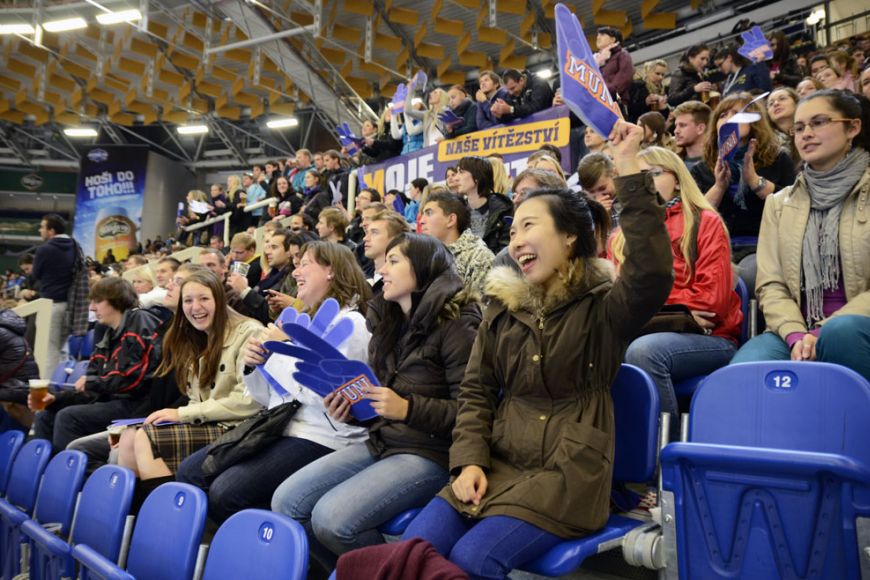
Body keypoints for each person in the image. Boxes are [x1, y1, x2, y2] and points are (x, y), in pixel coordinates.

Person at [400, 120, 674, 578]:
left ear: (569, 237)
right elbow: (475, 394)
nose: (516, 240)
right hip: (497, 464)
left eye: (530, 225)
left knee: (470, 560)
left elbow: (650, 273)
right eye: (512, 233)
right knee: (411, 549)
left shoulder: (603, 308)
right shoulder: (501, 313)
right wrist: (469, 460)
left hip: (566, 476)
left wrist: (627, 167)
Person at [272, 233, 482, 573]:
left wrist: (407, 408)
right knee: (286, 502)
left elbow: (473, 411)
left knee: (331, 520)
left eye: (394, 261)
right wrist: (353, 413)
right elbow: (380, 404)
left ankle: (388, 570)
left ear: (424, 268)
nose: (381, 269)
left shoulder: (458, 324)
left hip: (432, 453)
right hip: (384, 439)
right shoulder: (389, 324)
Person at [177, 242, 372, 524]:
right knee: (190, 471)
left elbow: (325, 397)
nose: (296, 273)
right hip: (283, 425)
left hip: (325, 435)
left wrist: (276, 354)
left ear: (330, 271)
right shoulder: (303, 322)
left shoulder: (350, 324)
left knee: (226, 493)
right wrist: (254, 364)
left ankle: (268, 558)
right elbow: (267, 398)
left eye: (305, 264)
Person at [730, 89, 870, 380]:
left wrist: (823, 331)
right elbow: (771, 285)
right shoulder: (779, 204)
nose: (806, 133)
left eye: (818, 122)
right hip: (795, 330)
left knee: (839, 334)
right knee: (744, 371)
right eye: (799, 127)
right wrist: (795, 334)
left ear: (852, 127)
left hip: (856, 326)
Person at [612, 146, 743, 429]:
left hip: (709, 338)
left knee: (644, 351)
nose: (645, 181)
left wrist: (648, 309)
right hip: (648, 330)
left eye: (654, 173)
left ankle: (665, 457)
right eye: (638, 175)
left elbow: (711, 303)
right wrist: (674, 310)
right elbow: (617, 301)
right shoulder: (621, 236)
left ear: (678, 178)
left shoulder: (704, 221)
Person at [116, 269, 263, 504]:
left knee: (146, 438)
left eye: (204, 299)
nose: (196, 307)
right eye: (188, 301)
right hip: (210, 422)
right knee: (128, 437)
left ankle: (167, 523)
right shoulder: (196, 337)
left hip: (239, 427)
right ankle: (132, 525)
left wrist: (181, 414)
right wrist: (179, 417)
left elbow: (248, 402)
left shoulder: (250, 332)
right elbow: (196, 398)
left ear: (219, 299)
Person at [32, 277, 162, 451]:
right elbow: (94, 389)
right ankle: (47, 472)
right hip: (115, 402)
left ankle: (75, 475)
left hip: (141, 405)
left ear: (116, 300)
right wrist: (56, 398)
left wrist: (92, 382)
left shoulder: (140, 321)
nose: (92, 308)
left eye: (98, 301)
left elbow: (135, 379)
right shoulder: (108, 335)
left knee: (68, 417)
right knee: (46, 414)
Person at [692, 91, 796, 290]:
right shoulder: (703, 168)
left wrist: (755, 181)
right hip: (717, 247)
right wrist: (719, 186)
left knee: (749, 276)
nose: (729, 119)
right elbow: (696, 216)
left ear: (754, 122)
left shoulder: (777, 159)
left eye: (737, 113)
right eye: (722, 115)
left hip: (763, 244)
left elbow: (791, 205)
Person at [420, 192, 495, 296]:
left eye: (429, 213)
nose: (421, 221)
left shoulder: (480, 257)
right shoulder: (426, 257)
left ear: (451, 220)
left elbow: (482, 308)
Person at [32, 214, 76, 375]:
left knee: (48, 350)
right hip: (71, 305)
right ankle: (60, 384)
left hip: (50, 305)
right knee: (61, 349)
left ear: (51, 231)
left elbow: (36, 274)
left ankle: (46, 388)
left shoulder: (45, 249)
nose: (40, 230)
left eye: (42, 227)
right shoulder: (75, 246)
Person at [227, 228, 296, 324]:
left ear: (289, 251)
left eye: (274, 247)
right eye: (268, 246)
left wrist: (245, 291)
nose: (267, 252)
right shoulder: (272, 276)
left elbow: (270, 316)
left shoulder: (292, 279)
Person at [456, 156, 512, 253]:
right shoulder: (457, 210)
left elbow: (506, 250)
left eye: (461, 172)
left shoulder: (504, 209)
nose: (456, 178)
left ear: (477, 177)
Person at [363, 210, 411, 291]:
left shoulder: (398, 285)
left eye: (374, 233)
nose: (365, 238)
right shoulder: (363, 276)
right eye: (367, 233)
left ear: (395, 239)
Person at [489, 69, 554, 123]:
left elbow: (535, 107)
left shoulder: (539, 83)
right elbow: (512, 116)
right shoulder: (512, 93)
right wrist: (500, 115)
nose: (510, 93)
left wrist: (511, 109)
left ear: (521, 80)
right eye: (508, 90)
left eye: (512, 88)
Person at [579, 152, 621, 229]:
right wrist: (596, 216)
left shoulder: (629, 199)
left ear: (614, 173)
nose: (599, 196)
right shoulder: (583, 210)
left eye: (602, 188)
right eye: (591, 192)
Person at [594, 26, 634, 106]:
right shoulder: (596, 59)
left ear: (613, 39)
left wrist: (606, 91)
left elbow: (624, 78)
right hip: (599, 101)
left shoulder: (622, 54)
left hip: (616, 101)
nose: (598, 38)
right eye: (598, 35)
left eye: (602, 35)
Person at [672, 100, 712, 170]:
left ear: (700, 129)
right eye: (676, 126)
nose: (676, 131)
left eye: (682, 125)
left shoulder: (719, 164)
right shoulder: (672, 164)